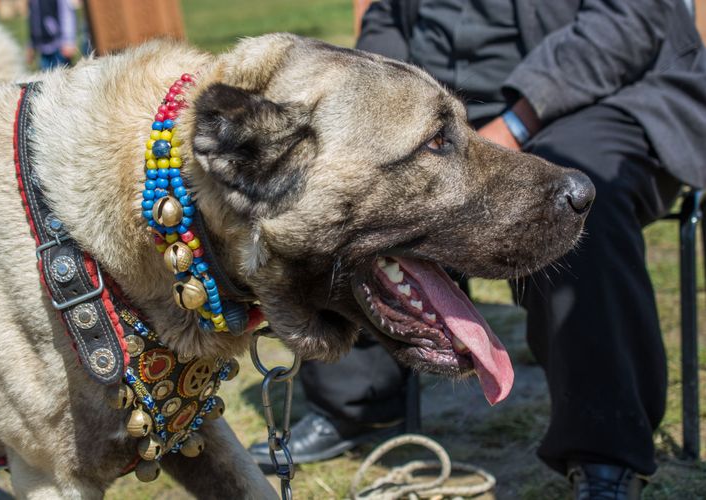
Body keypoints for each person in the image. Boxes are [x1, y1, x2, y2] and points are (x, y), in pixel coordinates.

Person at [249, 0, 706, 497]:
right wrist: (370, 113)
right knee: (361, 189)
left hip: (600, 96)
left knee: (573, 183)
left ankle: (605, 452)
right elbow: (388, 19)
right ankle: (356, 404)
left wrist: (512, 126)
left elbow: (628, 20)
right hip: (439, 101)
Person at [27, 0, 77, 70]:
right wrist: (31, 45)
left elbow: (66, 14)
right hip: (43, 51)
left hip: (59, 48)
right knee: (46, 78)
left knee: (64, 76)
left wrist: (69, 40)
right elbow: (33, 20)